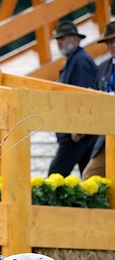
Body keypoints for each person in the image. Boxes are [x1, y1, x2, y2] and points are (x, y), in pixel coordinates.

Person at [47, 19, 99, 177]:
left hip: (76, 133)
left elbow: (85, 96)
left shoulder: (80, 61)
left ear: (75, 39)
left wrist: (79, 126)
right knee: (89, 175)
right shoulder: (74, 60)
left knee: (55, 176)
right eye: (57, 39)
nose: (59, 43)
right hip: (75, 131)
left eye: (62, 38)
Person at [84, 20, 115, 178]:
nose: (113, 46)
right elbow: (96, 95)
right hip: (106, 136)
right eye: (110, 42)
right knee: (90, 176)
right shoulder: (103, 66)